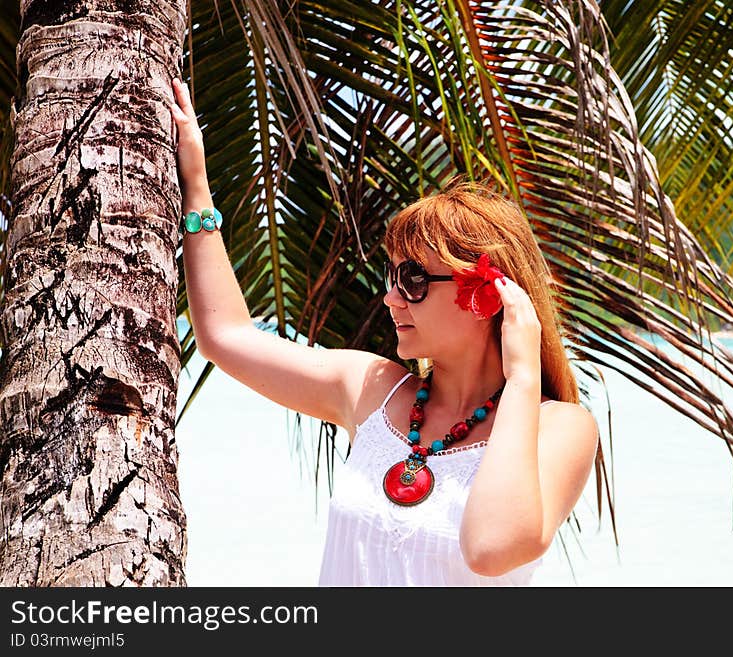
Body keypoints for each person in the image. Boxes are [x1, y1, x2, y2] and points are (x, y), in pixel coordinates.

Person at [170, 78, 599, 586]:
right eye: (391, 276)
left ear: (487, 296)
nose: (390, 297)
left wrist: (524, 377)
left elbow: (490, 548)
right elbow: (225, 335)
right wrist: (195, 184)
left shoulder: (561, 429)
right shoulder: (373, 388)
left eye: (413, 279)